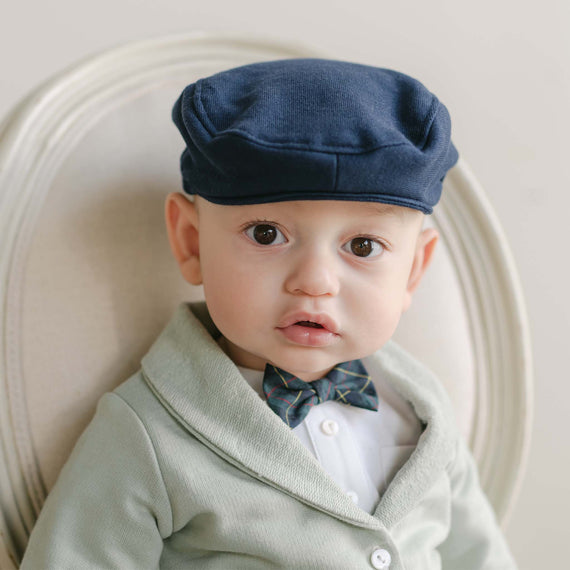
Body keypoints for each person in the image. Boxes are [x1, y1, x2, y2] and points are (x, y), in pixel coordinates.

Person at [21, 58, 517, 569]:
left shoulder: (424, 409)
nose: (315, 281)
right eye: (266, 234)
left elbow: (480, 555)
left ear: (413, 271)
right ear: (192, 242)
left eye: (363, 245)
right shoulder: (146, 436)